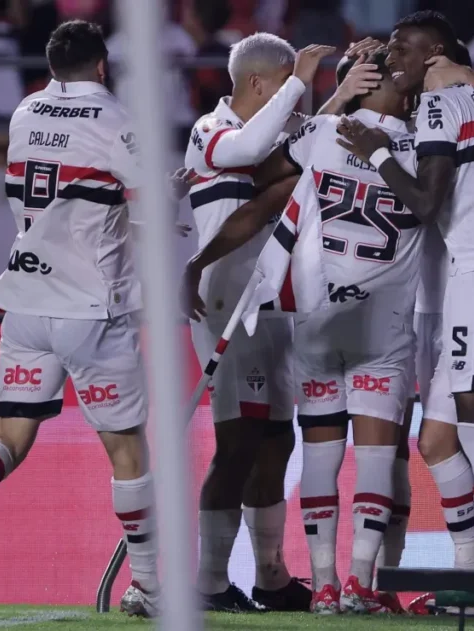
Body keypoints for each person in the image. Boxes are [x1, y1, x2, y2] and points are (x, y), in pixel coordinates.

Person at [0, 20, 158, 617]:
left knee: (9, 438)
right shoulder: (112, 118)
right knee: (127, 451)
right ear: (103, 67)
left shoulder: (25, 112)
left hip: (25, 302)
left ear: (51, 67)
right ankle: (151, 588)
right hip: (89, 309)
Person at [185, 48, 424, 615]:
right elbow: (433, 206)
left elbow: (263, 189)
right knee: (374, 455)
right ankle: (360, 583)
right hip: (377, 321)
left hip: (311, 321)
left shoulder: (317, 132)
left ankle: (316, 585)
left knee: (301, 447)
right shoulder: (422, 147)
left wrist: (195, 259)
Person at [336, 10, 474, 619]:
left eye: (405, 46)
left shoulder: (438, 107)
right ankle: (471, 584)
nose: (393, 53)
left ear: (437, 55)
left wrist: (376, 153)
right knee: (438, 438)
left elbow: (425, 202)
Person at [183, 33, 333, 613]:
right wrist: (302, 79)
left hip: (269, 300)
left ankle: (270, 576)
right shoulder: (211, 128)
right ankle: (210, 583)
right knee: (238, 442)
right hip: (226, 301)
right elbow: (246, 150)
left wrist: (333, 93)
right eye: (285, 90)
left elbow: (301, 154)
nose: (294, 106)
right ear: (256, 84)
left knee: (276, 439)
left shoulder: (268, 139)